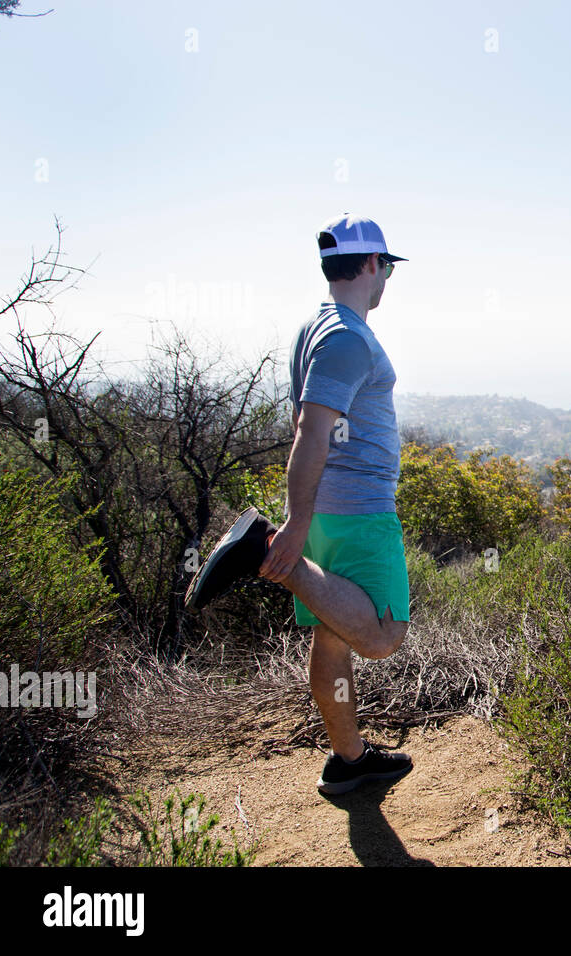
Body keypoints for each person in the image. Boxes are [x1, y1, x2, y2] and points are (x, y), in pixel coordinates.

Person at [184, 213, 414, 796]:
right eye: (387, 266)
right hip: (357, 511)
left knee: (332, 638)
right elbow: (310, 433)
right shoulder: (346, 338)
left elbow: (303, 424)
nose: (387, 278)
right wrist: (293, 527)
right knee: (382, 637)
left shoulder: (314, 329)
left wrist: (307, 517)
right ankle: (264, 554)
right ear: (370, 264)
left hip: (332, 509)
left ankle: (349, 761)